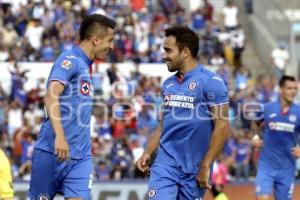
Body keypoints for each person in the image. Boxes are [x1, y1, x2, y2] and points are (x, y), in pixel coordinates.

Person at [136, 26, 230, 199]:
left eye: (168, 50)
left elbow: (222, 126)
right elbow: (163, 124)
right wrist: (148, 152)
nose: (163, 55)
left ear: (185, 51)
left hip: (195, 167)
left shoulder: (212, 82)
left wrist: (206, 164)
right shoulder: (168, 84)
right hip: (165, 164)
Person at [28, 14, 116, 200]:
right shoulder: (70, 59)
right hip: (51, 151)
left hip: (80, 157)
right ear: (95, 40)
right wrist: (60, 136)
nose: (112, 46)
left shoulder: (88, 66)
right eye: (110, 41)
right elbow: (51, 96)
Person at [252, 75, 300, 200]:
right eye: (289, 88)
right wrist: (256, 137)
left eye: (295, 89)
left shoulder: (299, 111)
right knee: (263, 198)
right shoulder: (267, 108)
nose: (293, 91)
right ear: (280, 89)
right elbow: (255, 122)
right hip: (266, 166)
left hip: (287, 168)